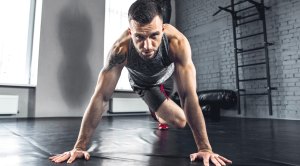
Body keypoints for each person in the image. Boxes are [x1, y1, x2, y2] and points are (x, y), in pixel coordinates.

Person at [49, 1, 232, 166]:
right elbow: (101, 97)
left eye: (154, 36)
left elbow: (188, 95)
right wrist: (79, 146)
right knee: (180, 120)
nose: (148, 46)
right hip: (143, 84)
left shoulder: (177, 42)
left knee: (172, 117)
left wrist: (205, 148)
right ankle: (155, 107)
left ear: (163, 28)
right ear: (131, 32)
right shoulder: (120, 49)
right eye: (140, 37)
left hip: (166, 76)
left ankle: (158, 111)